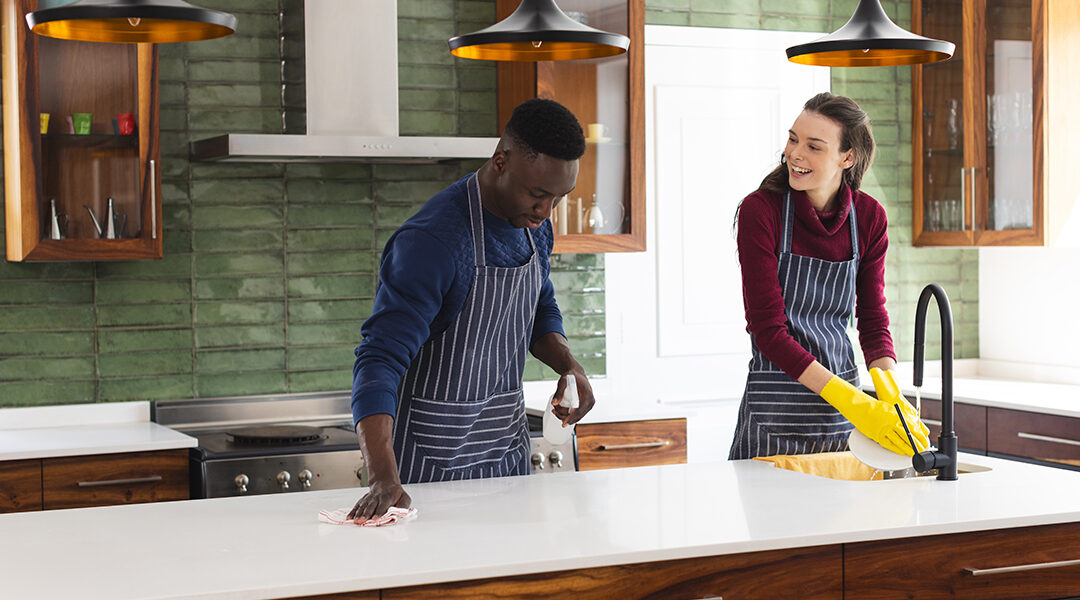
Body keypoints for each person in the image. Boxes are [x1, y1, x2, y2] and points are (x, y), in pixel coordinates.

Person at [348, 98, 596, 520]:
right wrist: (382, 477)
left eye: (558, 198)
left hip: (506, 462)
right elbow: (379, 360)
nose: (546, 212)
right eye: (538, 194)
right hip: (427, 475)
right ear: (501, 161)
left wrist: (569, 365)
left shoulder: (533, 227)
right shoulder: (432, 242)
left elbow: (540, 303)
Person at [728, 92, 930, 461]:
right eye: (793, 139)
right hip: (777, 410)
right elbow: (768, 329)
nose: (795, 154)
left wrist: (889, 394)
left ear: (847, 157)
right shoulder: (762, 211)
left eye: (814, 147)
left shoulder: (869, 217)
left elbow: (872, 319)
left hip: (843, 419)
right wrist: (851, 400)